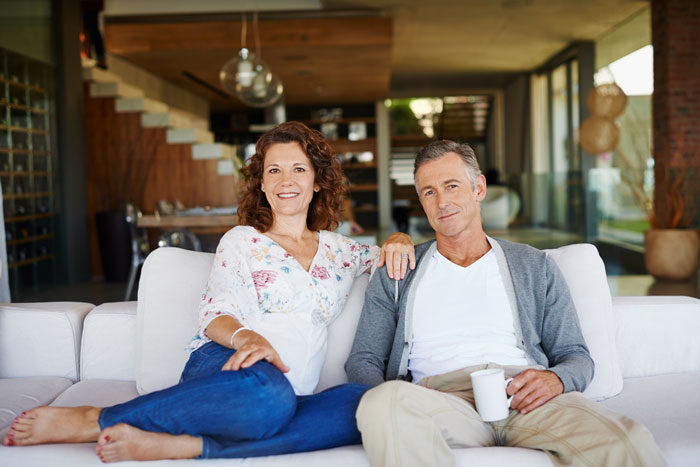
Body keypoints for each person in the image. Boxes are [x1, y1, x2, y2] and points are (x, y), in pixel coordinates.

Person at [2, 122, 415, 462]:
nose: (286, 180)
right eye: (274, 170)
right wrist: (248, 338)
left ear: (318, 182)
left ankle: (187, 446)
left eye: (298, 169)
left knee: (365, 404)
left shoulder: (340, 251)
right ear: (262, 184)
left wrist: (399, 236)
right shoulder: (241, 241)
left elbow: (388, 255)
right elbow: (216, 313)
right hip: (226, 365)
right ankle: (97, 419)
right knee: (268, 397)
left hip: (293, 393)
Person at [345, 140, 666, 467]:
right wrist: (398, 400)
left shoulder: (534, 265)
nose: (442, 201)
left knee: (628, 440)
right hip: (440, 401)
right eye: (429, 192)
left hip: (524, 395)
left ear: (479, 188)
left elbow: (576, 356)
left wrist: (556, 379)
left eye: (452, 185)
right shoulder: (399, 270)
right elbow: (364, 359)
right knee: (381, 404)